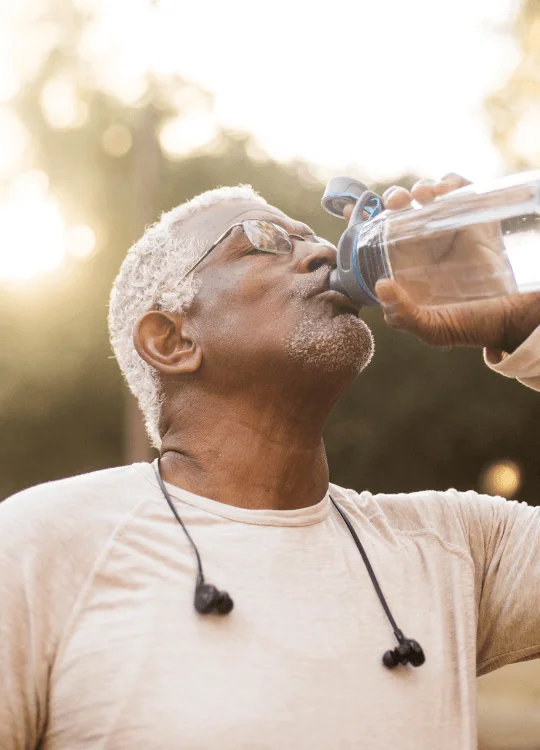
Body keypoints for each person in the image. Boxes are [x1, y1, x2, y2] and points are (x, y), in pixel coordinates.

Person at [1, 173, 540, 750]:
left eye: (313, 236)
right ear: (171, 340)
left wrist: (523, 326)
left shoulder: (460, 547)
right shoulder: (41, 544)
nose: (324, 252)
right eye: (262, 239)